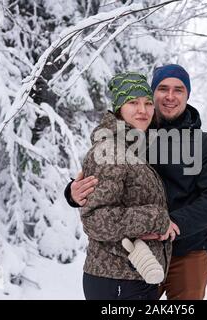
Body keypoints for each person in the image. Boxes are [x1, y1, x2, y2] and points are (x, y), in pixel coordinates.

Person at [65, 64, 207, 300]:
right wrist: (72, 192)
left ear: (188, 95)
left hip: (188, 250)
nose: (170, 96)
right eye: (163, 88)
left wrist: (171, 223)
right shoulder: (133, 133)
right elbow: (105, 177)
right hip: (137, 253)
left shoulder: (206, 145)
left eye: (179, 89)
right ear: (152, 93)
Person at [78, 72, 174, 300]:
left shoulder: (132, 147)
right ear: (119, 107)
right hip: (116, 279)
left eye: (148, 103)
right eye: (133, 102)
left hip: (133, 276)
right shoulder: (110, 151)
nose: (143, 109)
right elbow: (95, 219)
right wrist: (157, 218)